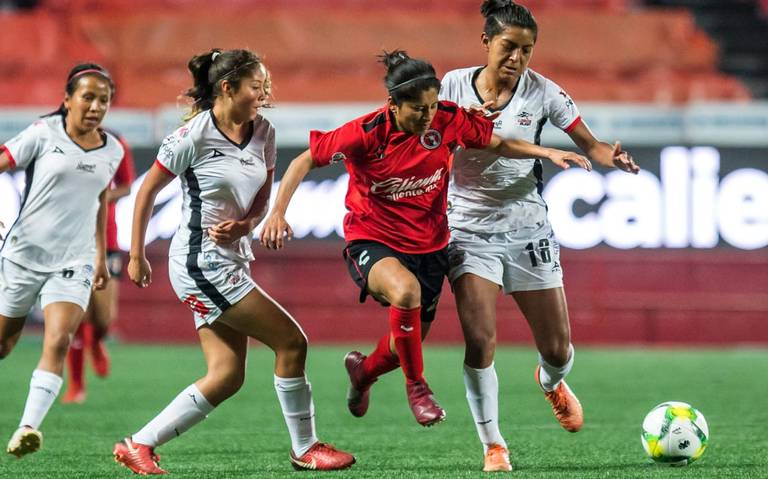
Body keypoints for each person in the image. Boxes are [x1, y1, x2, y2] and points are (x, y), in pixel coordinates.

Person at [260, 50, 590, 429]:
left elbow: (497, 143)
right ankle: (418, 388)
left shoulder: (448, 119)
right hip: (373, 238)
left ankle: (364, 371)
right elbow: (304, 160)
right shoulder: (365, 133)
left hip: (430, 245)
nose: (428, 115)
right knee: (405, 292)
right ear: (392, 105)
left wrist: (545, 150)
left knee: (404, 344)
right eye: (418, 108)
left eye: (433, 105)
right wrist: (278, 211)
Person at [115, 48, 355, 475]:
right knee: (291, 341)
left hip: (232, 258)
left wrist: (247, 225)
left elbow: (263, 194)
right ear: (227, 88)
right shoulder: (192, 136)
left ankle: (138, 444)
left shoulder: (264, 130)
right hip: (199, 262)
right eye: (256, 86)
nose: (264, 94)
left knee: (226, 375)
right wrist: (135, 254)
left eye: (266, 86)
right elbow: (147, 191)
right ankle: (306, 448)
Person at [439, 0, 641, 471]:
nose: (517, 59)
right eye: (509, 47)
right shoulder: (450, 86)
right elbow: (429, 138)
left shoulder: (544, 93)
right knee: (480, 342)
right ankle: (494, 444)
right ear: (486, 42)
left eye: (526, 51)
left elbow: (591, 146)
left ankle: (551, 383)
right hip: (467, 230)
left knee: (557, 348)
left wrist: (615, 158)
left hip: (528, 228)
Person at [0, 63, 121, 457]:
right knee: (4, 342)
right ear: (67, 99)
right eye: (88, 97)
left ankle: (27, 428)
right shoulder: (42, 133)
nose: (96, 106)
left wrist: (100, 256)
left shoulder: (113, 150)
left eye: (104, 99)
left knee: (58, 338)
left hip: (74, 260)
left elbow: (101, 200)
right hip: (23, 255)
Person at [62, 133, 135, 404]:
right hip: (71, 240)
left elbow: (126, 186)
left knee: (103, 318)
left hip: (107, 239)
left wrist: (99, 198)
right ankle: (77, 385)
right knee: (77, 317)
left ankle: (97, 341)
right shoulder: (61, 142)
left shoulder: (116, 143)